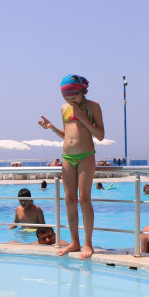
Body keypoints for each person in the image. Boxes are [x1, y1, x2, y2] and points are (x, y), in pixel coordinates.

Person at [38, 74, 105, 259]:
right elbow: (67, 135)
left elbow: (100, 135)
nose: (70, 100)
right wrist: (52, 127)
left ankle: (87, 243)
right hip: (67, 157)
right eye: (66, 97)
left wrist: (83, 118)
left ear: (83, 91)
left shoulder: (93, 106)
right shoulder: (64, 108)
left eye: (74, 96)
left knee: (84, 199)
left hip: (86, 156)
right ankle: (74, 242)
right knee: (69, 200)